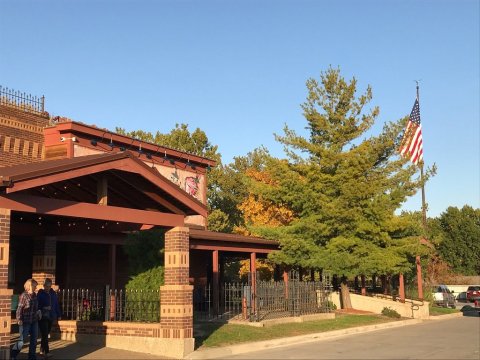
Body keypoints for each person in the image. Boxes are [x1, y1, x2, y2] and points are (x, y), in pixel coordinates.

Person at [11, 279, 42, 360]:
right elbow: (19, 308)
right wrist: (19, 319)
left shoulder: (35, 295)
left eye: (36, 286)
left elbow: (35, 307)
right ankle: (13, 355)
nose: (36, 287)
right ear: (29, 286)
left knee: (34, 340)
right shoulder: (23, 295)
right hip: (25, 322)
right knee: (22, 340)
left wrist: (38, 312)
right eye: (34, 285)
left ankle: (32, 357)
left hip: (34, 321)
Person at [37, 278, 62, 358]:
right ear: (43, 286)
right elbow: (37, 305)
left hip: (51, 316)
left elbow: (56, 305)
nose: (47, 288)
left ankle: (41, 349)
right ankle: (46, 352)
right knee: (45, 335)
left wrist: (59, 315)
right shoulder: (40, 293)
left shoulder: (53, 294)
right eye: (46, 286)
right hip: (43, 316)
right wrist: (44, 308)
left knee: (46, 334)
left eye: (49, 286)